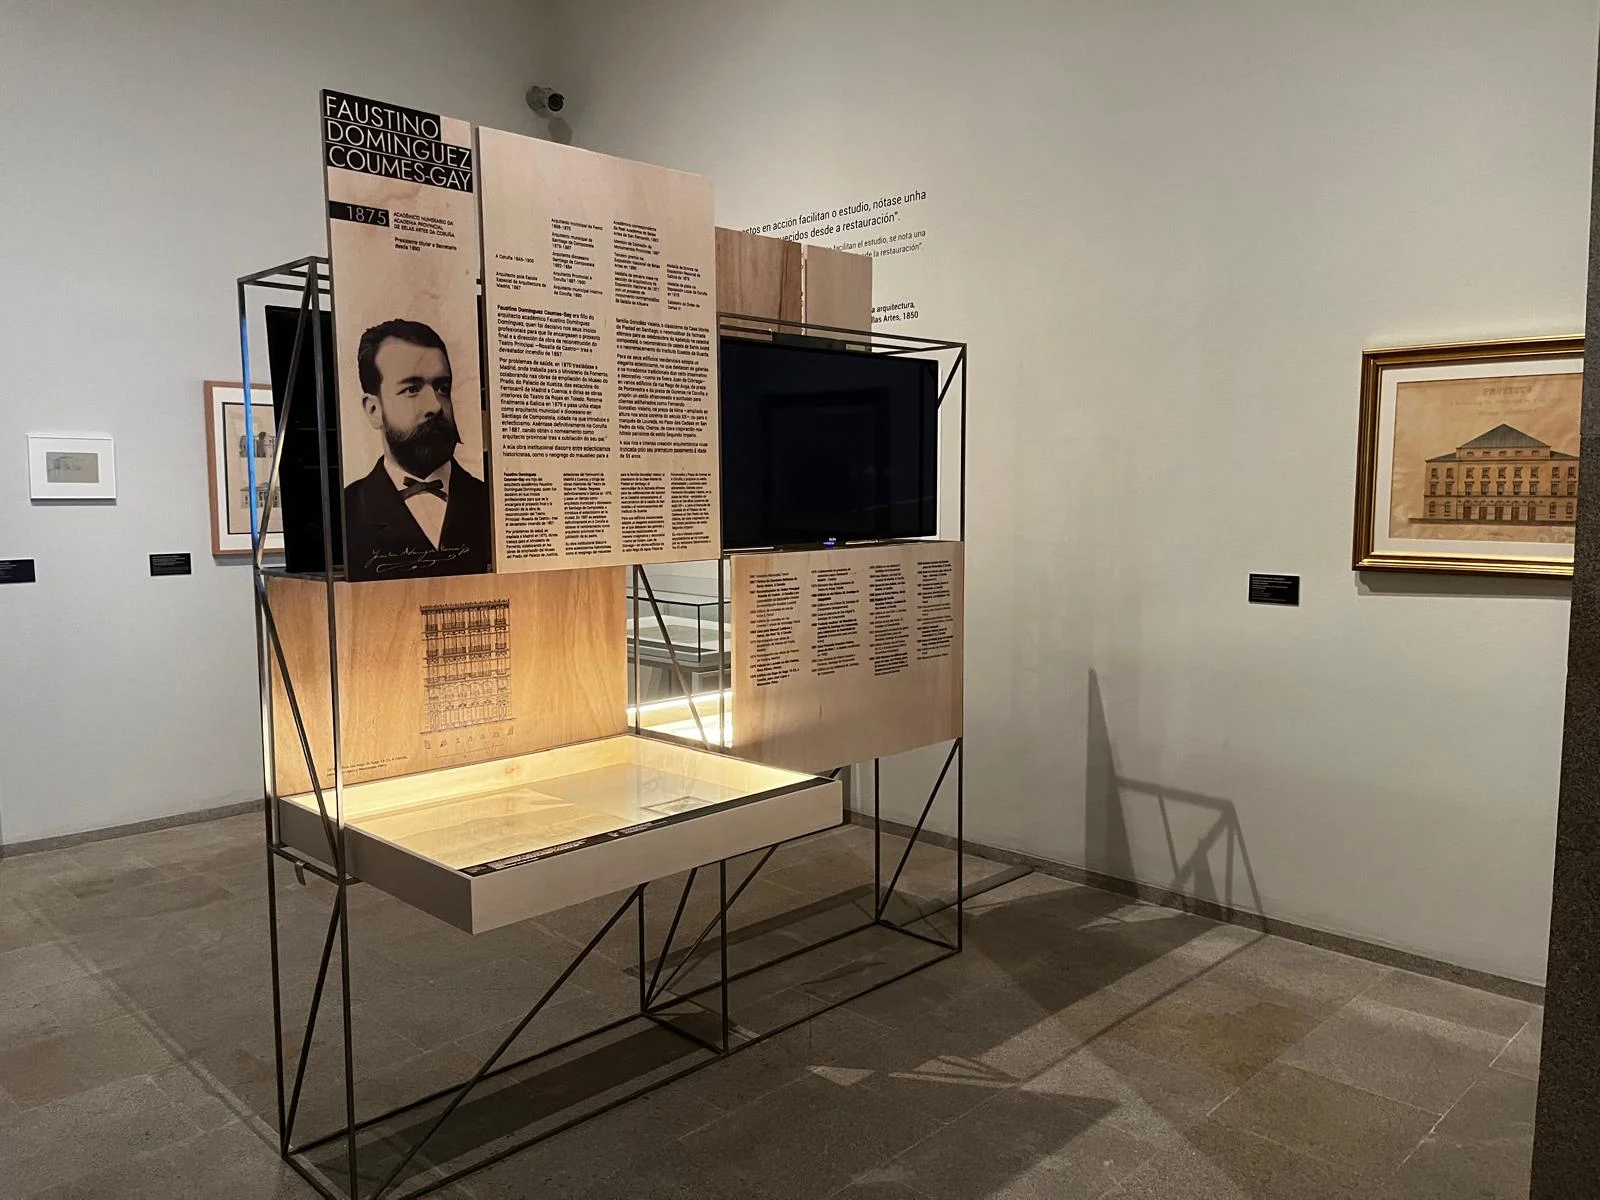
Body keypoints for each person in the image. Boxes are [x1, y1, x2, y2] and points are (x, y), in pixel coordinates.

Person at [343, 319, 491, 577]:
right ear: (374, 409)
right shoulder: (346, 511)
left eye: (442, 388)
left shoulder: (489, 501)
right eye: (412, 389)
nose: (435, 405)